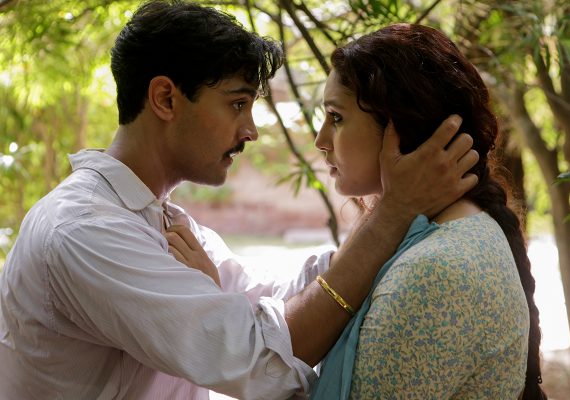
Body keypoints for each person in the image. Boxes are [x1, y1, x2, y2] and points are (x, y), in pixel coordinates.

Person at [0, 2, 478, 399]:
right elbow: (261, 356)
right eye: (236, 104)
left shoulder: (162, 219)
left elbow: (276, 294)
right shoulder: (86, 232)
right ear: (165, 99)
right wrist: (393, 213)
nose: (249, 130)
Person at [306, 24, 547, 399]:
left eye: (336, 118)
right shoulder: (435, 235)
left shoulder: (436, 271)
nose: (321, 141)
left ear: (399, 129)